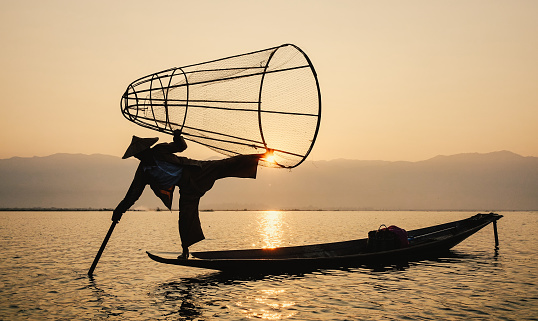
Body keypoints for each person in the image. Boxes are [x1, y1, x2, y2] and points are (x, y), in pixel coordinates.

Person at [112, 130, 268, 259]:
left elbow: (181, 147)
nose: (139, 157)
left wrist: (177, 137)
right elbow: (132, 194)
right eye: (137, 155)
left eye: (140, 153)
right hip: (186, 188)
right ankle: (185, 251)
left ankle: (262, 156)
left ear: (145, 150)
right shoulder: (143, 172)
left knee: (223, 165)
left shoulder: (159, 150)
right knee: (185, 217)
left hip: (195, 171)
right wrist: (119, 211)